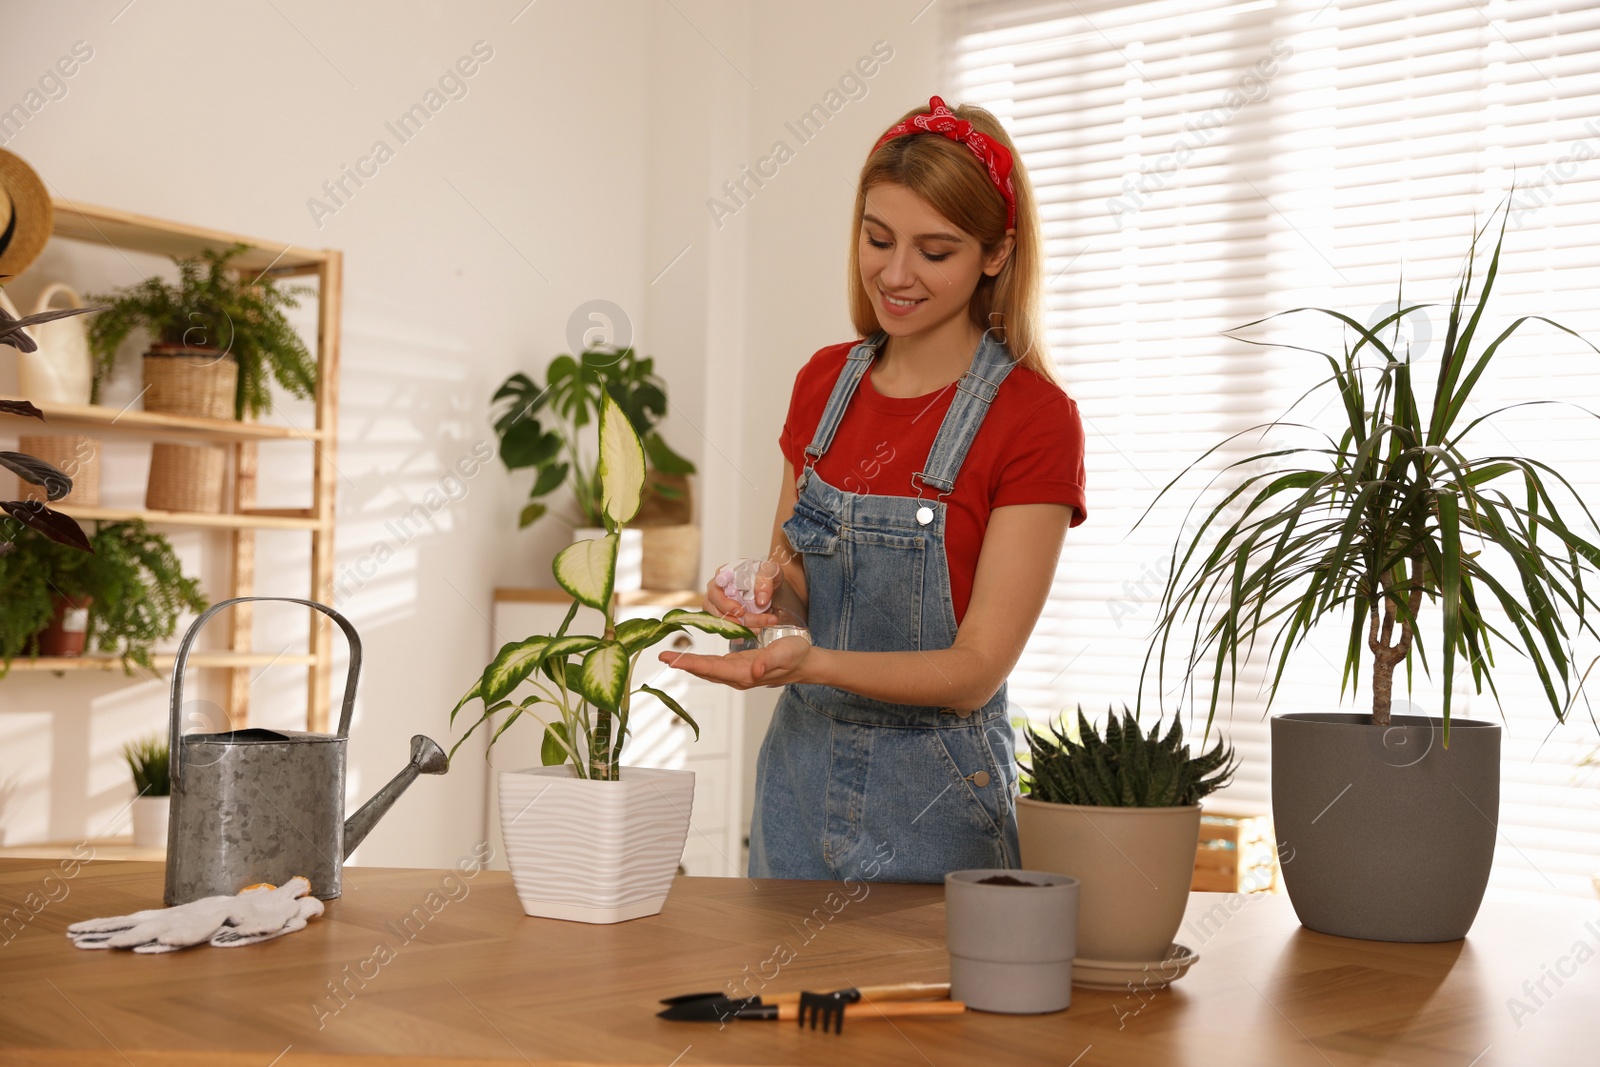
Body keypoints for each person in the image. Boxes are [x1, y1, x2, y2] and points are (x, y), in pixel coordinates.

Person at [660, 96, 1087, 883]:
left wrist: (812, 662)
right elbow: (793, 583)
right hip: (797, 776)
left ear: (996, 255)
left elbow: (975, 669)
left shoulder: (1035, 418)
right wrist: (766, 603)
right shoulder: (823, 384)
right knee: (787, 1008)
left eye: (935, 250)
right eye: (877, 237)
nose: (895, 275)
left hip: (938, 798)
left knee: (930, 1008)